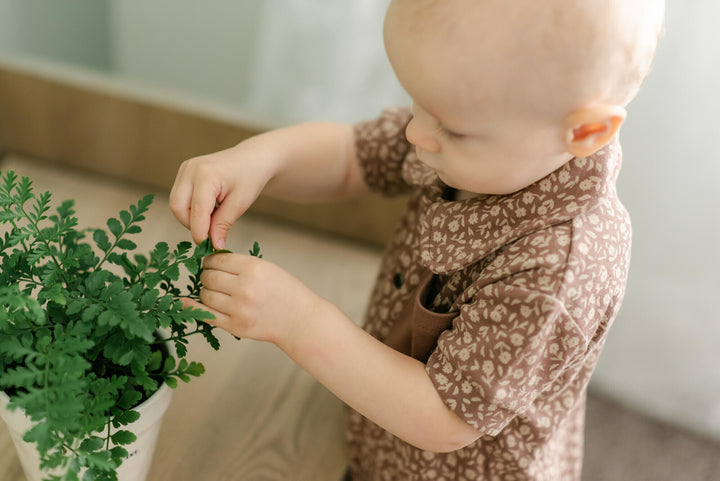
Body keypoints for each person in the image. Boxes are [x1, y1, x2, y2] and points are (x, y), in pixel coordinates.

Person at [169, 0, 665, 479]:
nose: (417, 134)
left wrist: (299, 322)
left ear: (586, 131)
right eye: (417, 102)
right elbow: (353, 157)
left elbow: (443, 417)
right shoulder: (486, 133)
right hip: (377, 425)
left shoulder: (557, 276)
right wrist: (261, 158)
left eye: (450, 126)